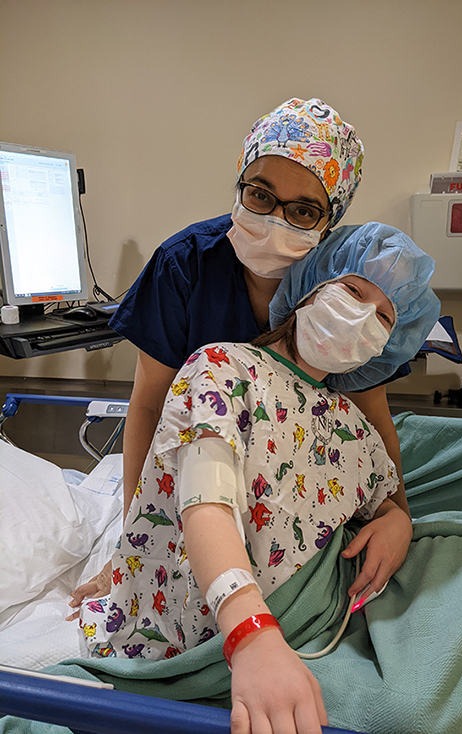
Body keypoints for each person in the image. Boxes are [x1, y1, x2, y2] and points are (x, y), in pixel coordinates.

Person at [78, 222, 439, 734]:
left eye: (384, 316)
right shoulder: (223, 369)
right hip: (215, 623)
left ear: (391, 344)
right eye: (353, 291)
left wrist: (396, 520)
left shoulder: (353, 427)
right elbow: (207, 503)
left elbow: (382, 496)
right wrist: (251, 633)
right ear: (309, 286)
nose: (360, 317)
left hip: (315, 621)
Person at [69, 97, 421, 615]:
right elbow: (148, 406)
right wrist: (133, 549)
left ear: (332, 218)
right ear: (240, 183)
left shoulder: (344, 287)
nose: (277, 220)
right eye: (260, 195)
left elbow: (370, 417)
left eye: (304, 210)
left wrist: (399, 519)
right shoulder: (186, 267)